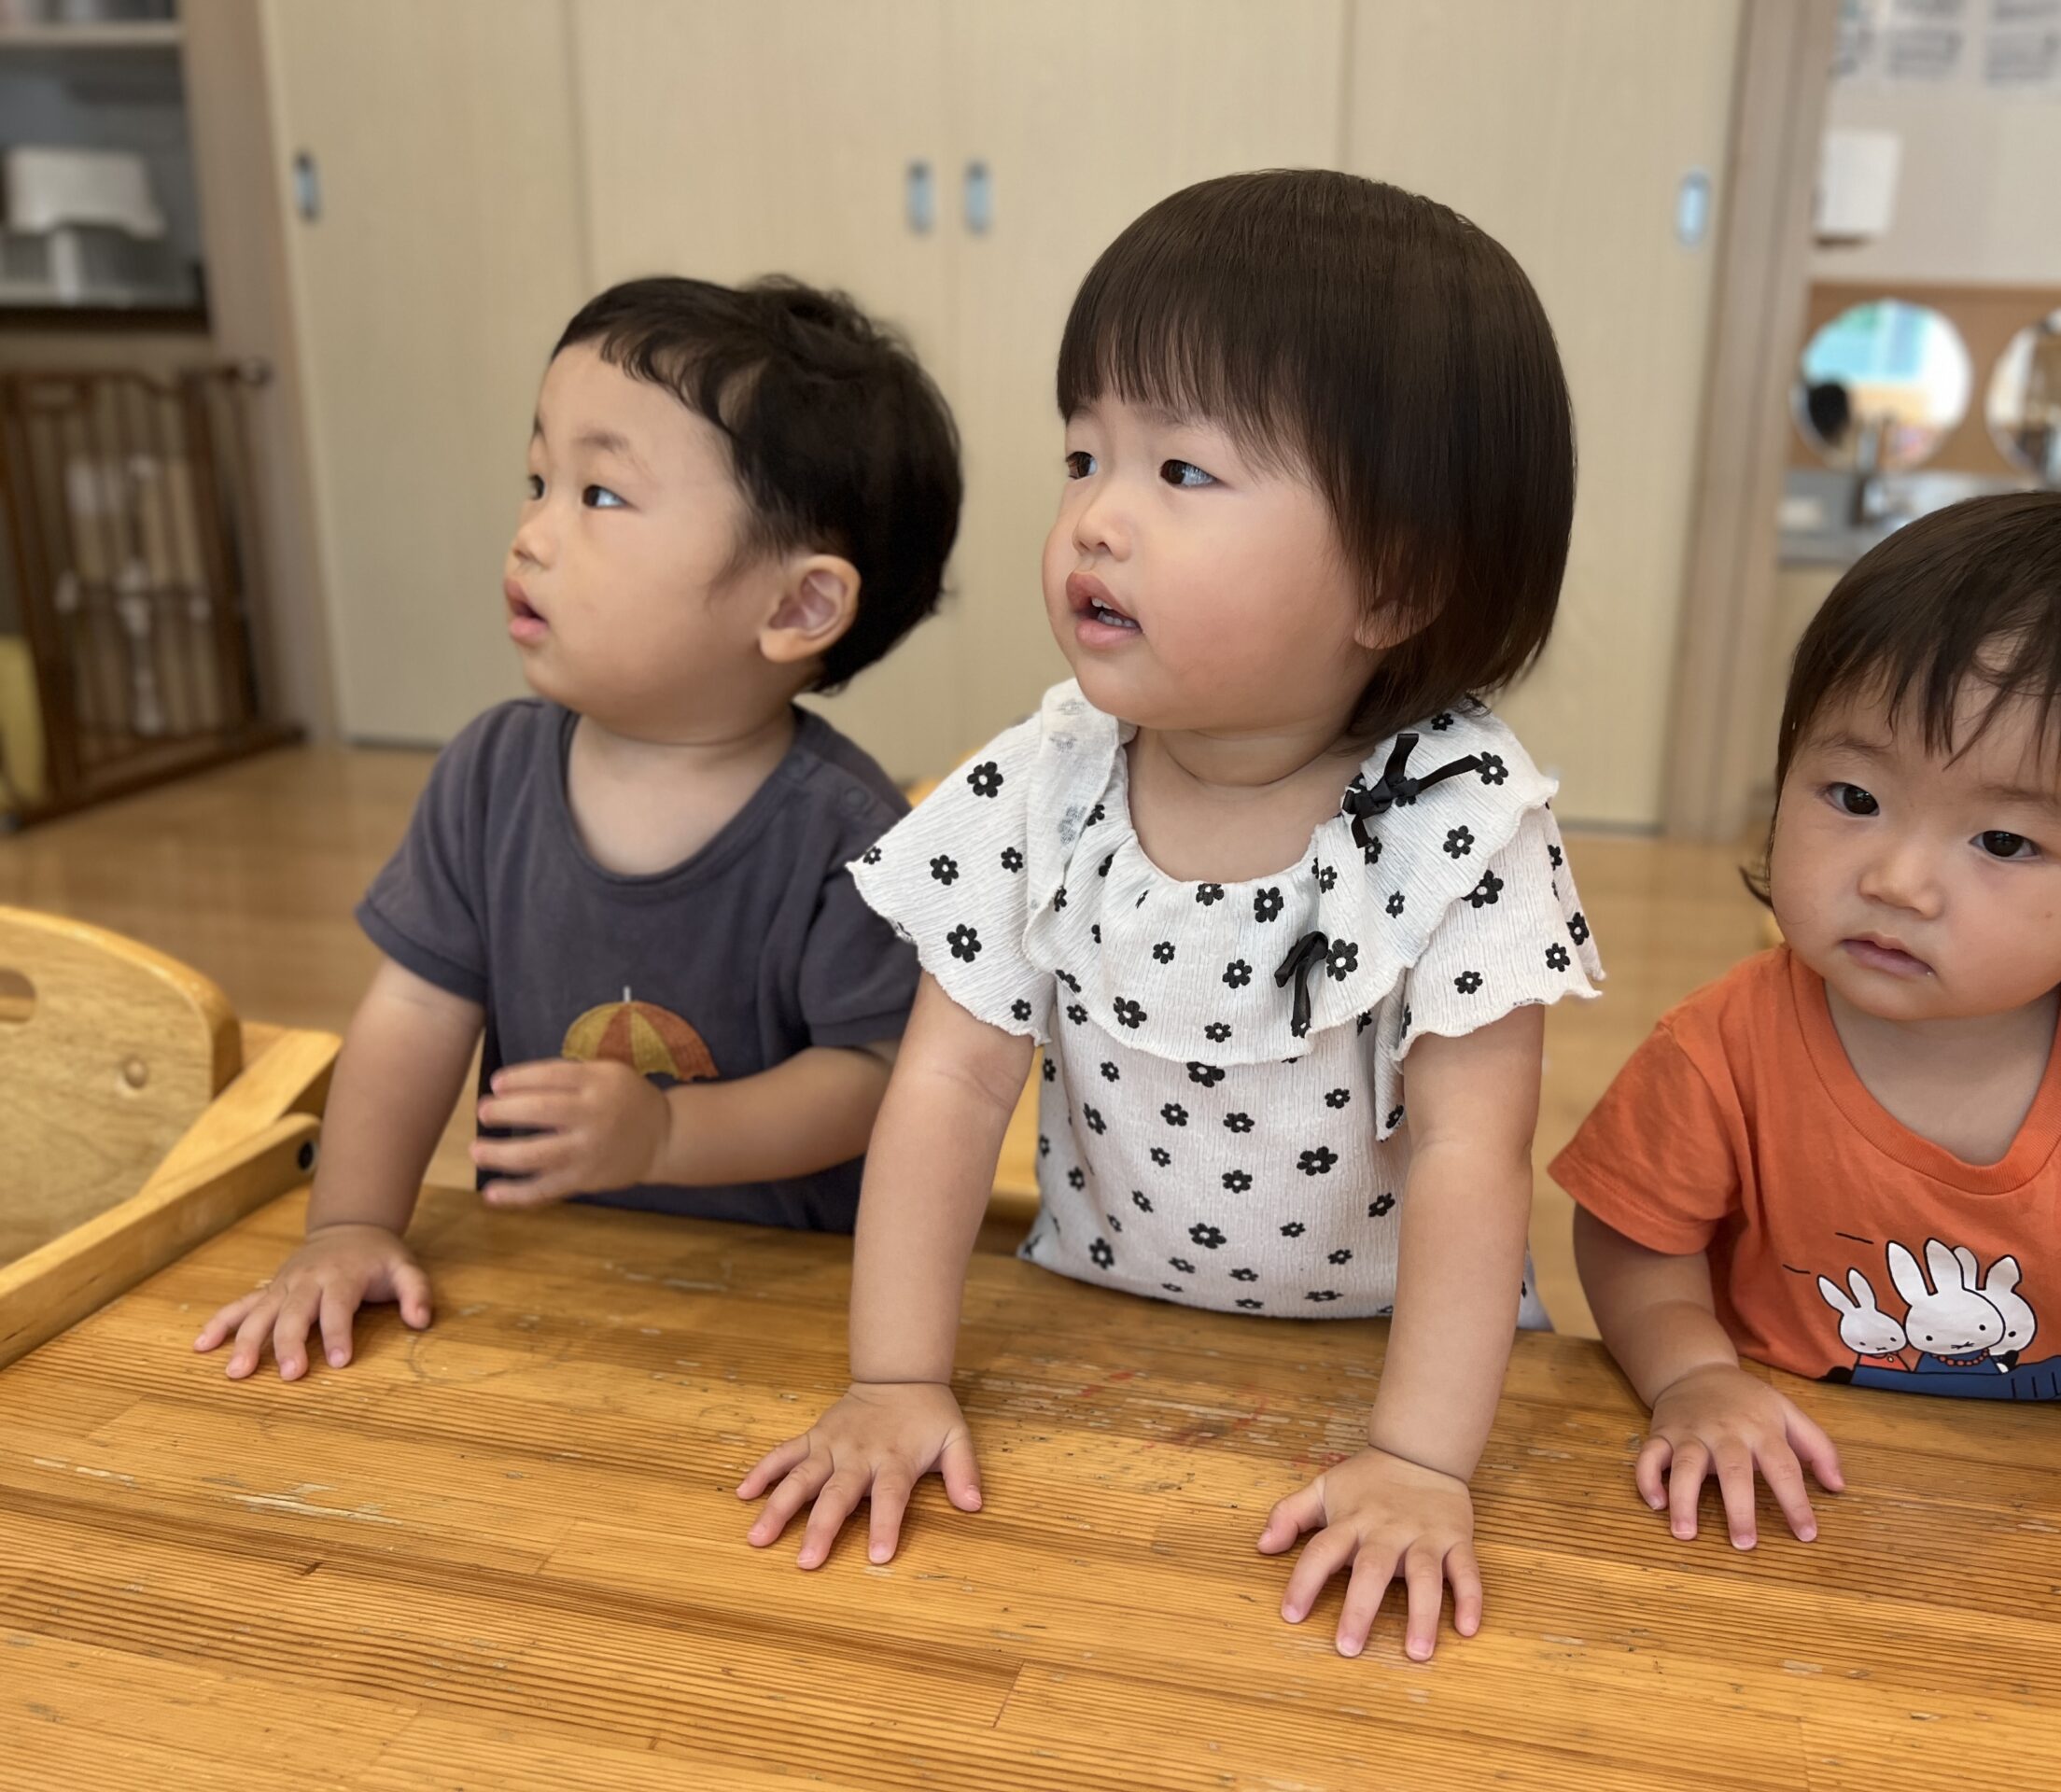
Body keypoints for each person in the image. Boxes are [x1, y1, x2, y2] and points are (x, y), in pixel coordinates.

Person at [736, 171, 1600, 1662]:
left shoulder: (1457, 824)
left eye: (1182, 473)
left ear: (1394, 579)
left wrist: (1419, 1462)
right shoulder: (1049, 780)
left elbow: (1475, 1156)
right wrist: (894, 1377)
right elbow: (945, 1082)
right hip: (1100, 1330)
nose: (1096, 522)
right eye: (1086, 455)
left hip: (1387, 1368)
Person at [1557, 491, 2061, 1763]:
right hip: (1798, 1511)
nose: (1897, 877)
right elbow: (1632, 1236)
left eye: (2003, 838)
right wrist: (1692, 1373)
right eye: (1850, 794)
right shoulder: (1724, 1040)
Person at [196, 276, 961, 1381]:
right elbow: (412, 1011)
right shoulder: (491, 775)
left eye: (600, 495)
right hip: (543, 1268)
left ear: (796, 607)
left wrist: (667, 1136)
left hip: (779, 1301)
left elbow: (879, 1077)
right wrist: (348, 1227)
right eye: (537, 478)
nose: (532, 535)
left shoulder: (848, 836)